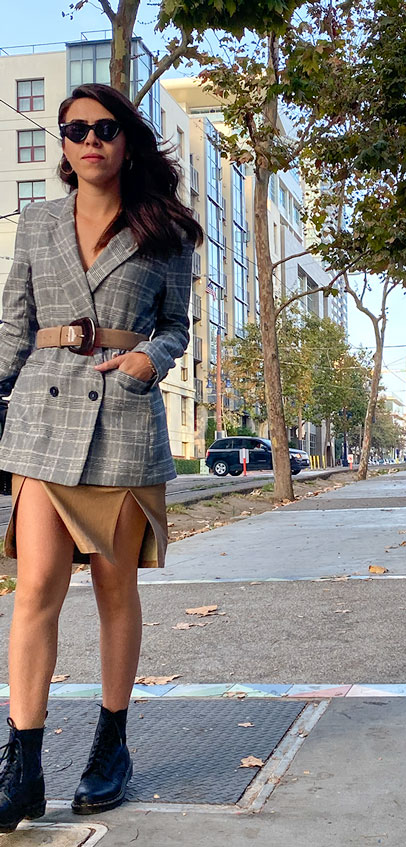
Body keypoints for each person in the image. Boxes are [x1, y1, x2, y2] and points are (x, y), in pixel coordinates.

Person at [0, 83, 203, 832]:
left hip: (120, 420)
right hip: (40, 422)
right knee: (36, 590)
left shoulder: (165, 230)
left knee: (116, 593)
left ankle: (110, 745)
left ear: (127, 140)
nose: (90, 139)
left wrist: (152, 357)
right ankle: (21, 764)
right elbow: (12, 328)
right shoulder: (36, 223)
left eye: (104, 127)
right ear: (62, 143)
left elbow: (177, 325)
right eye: (75, 128)